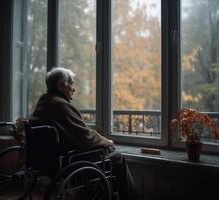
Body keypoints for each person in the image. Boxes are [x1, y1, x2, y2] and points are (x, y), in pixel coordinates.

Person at [31, 67, 140, 200]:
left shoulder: (43, 103)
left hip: (45, 162)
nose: (73, 89)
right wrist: (107, 142)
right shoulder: (60, 105)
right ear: (60, 85)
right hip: (68, 163)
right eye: (71, 84)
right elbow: (85, 137)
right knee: (117, 157)